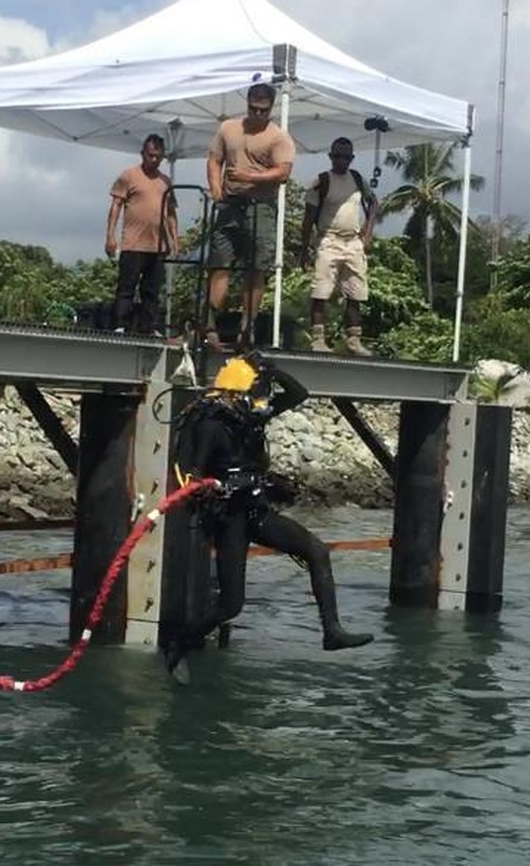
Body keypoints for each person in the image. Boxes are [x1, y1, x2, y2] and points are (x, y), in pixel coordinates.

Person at [162, 352, 374, 674]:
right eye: (257, 396)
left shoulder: (250, 417)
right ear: (237, 394)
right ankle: (181, 641)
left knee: (316, 550)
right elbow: (191, 473)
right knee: (231, 605)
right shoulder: (210, 423)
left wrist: (272, 371)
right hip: (229, 518)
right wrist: (211, 486)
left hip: (256, 511)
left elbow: (299, 394)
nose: (263, 404)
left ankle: (332, 632)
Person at [205, 82, 295, 350]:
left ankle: (248, 327)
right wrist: (216, 188)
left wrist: (250, 177)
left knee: (256, 268)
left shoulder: (279, 137)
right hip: (229, 203)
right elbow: (213, 159)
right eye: (253, 108)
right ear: (247, 104)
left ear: (270, 109)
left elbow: (282, 172)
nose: (257, 114)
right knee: (220, 263)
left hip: (261, 206)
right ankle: (209, 325)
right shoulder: (228, 128)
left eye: (262, 110)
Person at [299, 137, 377, 356]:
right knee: (321, 289)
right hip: (329, 239)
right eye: (337, 156)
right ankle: (318, 338)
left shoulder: (357, 179)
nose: (341, 160)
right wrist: (304, 249)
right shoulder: (321, 181)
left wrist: (368, 233)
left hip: (353, 240)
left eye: (346, 156)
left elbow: (374, 203)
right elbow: (308, 219)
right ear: (330, 157)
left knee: (356, 291)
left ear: (351, 158)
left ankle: (354, 339)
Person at [105, 134, 179, 335]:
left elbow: (171, 212)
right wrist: (110, 236)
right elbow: (116, 205)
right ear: (143, 154)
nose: (153, 160)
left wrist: (175, 239)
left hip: (157, 245)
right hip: (133, 243)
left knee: (152, 290)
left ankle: (150, 326)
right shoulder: (129, 176)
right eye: (150, 155)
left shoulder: (166, 181)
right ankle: (120, 324)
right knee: (127, 287)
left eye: (157, 156)